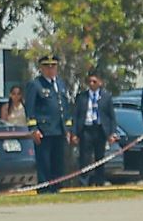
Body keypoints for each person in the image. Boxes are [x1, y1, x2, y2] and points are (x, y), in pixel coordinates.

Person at [25, 56, 71, 193]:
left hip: (59, 129)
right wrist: (33, 129)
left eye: (53, 67)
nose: (50, 70)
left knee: (58, 161)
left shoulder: (60, 84)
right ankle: (44, 189)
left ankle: (57, 187)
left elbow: (65, 107)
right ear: (42, 68)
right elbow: (30, 108)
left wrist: (67, 128)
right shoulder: (36, 85)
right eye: (47, 67)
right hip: (44, 130)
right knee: (44, 162)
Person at [70, 72, 118, 186]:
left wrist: (112, 133)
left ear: (100, 82)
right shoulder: (82, 97)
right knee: (85, 158)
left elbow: (111, 117)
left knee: (99, 157)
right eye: (90, 81)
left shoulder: (106, 97)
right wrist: (74, 133)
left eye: (94, 81)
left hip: (100, 130)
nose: (91, 84)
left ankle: (99, 182)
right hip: (86, 130)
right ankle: (84, 182)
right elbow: (76, 116)